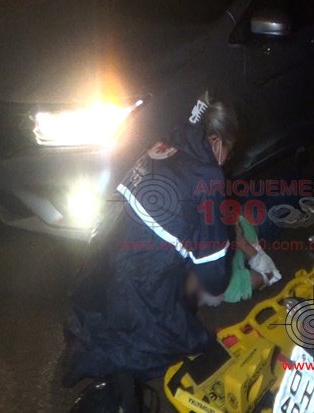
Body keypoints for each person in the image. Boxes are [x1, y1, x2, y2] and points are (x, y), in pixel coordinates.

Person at [63, 92, 239, 396]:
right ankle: (96, 361)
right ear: (215, 141)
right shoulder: (208, 176)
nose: (226, 160)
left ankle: (89, 331)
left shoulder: (167, 140)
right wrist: (221, 273)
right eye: (228, 151)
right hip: (137, 269)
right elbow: (212, 272)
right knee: (174, 339)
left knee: (112, 307)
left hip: (105, 249)